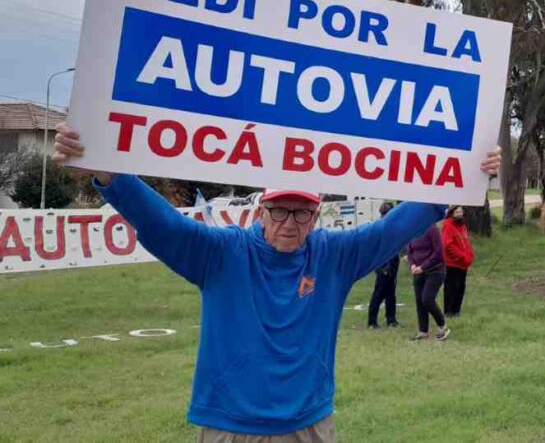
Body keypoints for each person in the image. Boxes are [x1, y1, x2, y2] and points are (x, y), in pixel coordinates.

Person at [51, 123, 500, 442]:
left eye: (302, 211)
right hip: (231, 426)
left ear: (316, 213)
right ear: (261, 210)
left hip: (309, 424)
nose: (290, 222)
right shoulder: (221, 253)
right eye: (280, 210)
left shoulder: (332, 255)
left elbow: (392, 229)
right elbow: (164, 225)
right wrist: (109, 173)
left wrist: (463, 178)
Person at [407, 224, 450, 341]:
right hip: (418, 272)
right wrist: (412, 265)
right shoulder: (413, 229)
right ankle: (423, 331)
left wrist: (423, 267)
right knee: (419, 301)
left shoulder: (432, 229)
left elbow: (438, 253)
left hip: (435, 270)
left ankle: (442, 326)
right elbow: (410, 251)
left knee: (427, 299)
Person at [366, 201, 403, 329]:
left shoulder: (393, 227)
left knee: (391, 293)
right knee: (379, 293)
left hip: (393, 262)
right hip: (383, 264)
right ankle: (372, 321)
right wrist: (382, 267)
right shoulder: (379, 227)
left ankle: (391, 319)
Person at [442, 205, 474, 318]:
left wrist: (470, 254)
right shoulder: (448, 226)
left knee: (461, 287)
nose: (460, 214)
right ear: (452, 213)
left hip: (463, 263)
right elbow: (448, 245)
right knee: (451, 287)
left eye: (461, 212)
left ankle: (456, 310)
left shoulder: (463, 226)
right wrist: (461, 256)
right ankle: (448, 311)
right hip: (453, 263)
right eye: (457, 212)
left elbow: (466, 241)